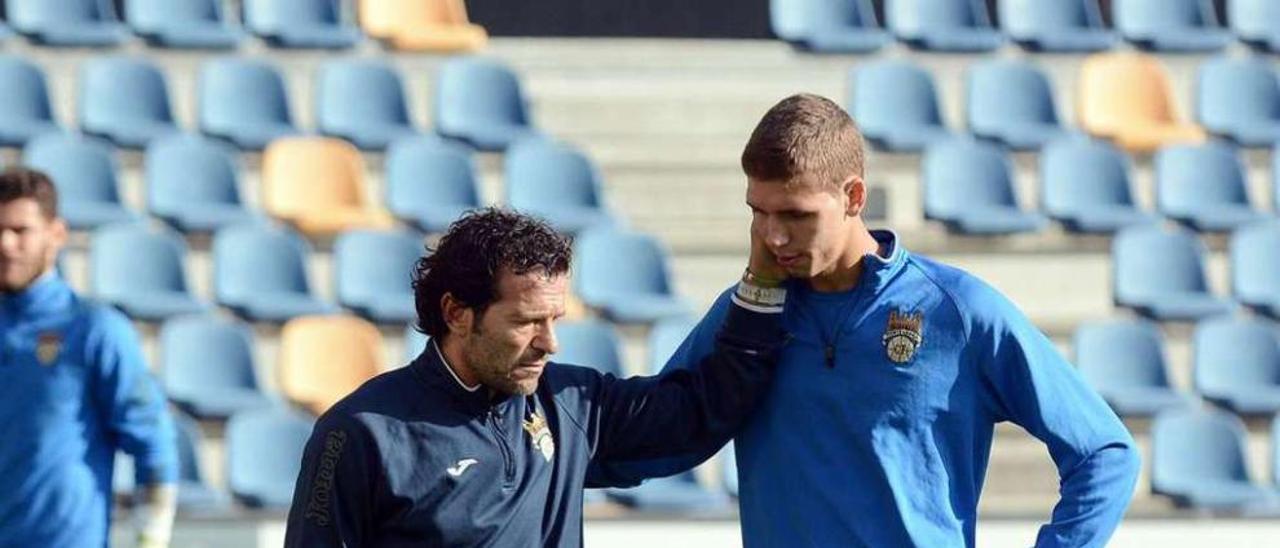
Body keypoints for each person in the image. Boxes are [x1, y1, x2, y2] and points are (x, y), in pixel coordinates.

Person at [597, 94, 1142, 547]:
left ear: (854, 196)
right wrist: (538, 454)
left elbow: (1104, 453)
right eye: (758, 212)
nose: (773, 237)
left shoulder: (957, 311)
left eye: (795, 215)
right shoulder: (747, 316)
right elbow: (665, 437)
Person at [284, 207, 789, 546]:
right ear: (457, 313)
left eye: (555, 319)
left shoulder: (571, 404)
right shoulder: (357, 434)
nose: (550, 343)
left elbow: (698, 414)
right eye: (526, 322)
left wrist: (763, 288)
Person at [0, 167, 178, 547]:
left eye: (20, 231)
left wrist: (151, 538)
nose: (5, 244)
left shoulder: (94, 329)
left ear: (56, 234)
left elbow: (153, 440)